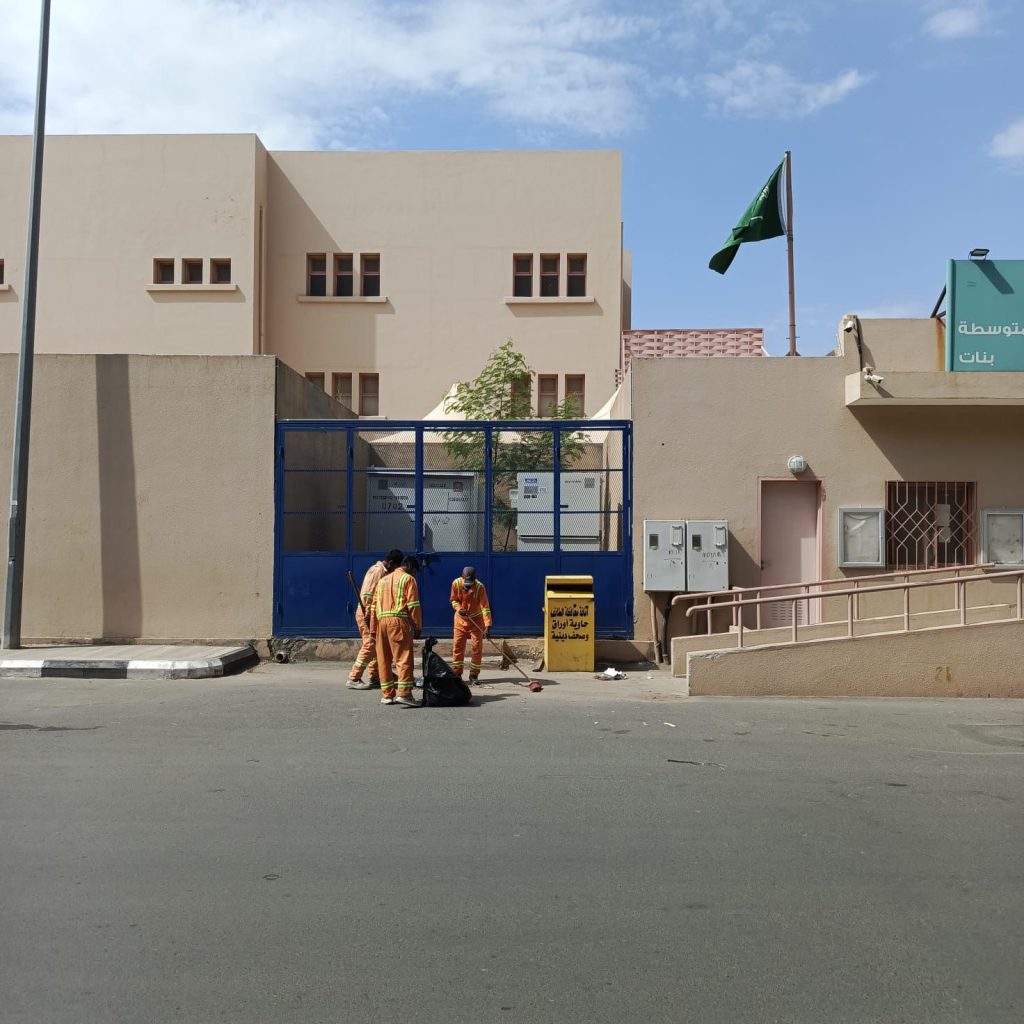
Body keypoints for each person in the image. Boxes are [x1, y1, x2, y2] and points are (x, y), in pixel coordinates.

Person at [369, 554, 422, 706]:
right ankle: (404, 694)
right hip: (398, 622)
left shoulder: (382, 581)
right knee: (403, 658)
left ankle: (387, 695)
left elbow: (373, 606)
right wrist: (417, 626)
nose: (414, 575)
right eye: (414, 571)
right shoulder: (408, 579)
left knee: (383, 660)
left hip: (381, 623)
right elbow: (413, 605)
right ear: (410, 566)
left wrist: (373, 630)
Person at [347, 549, 403, 689]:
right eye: (395, 567)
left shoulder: (381, 571)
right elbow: (368, 594)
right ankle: (354, 678)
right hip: (367, 612)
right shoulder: (377, 571)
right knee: (370, 644)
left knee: (377, 645)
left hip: (372, 613)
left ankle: (375, 675)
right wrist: (368, 614)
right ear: (391, 563)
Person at [449, 565, 492, 684]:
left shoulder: (480, 587)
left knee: (476, 648)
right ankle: (457, 673)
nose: (468, 586)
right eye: (466, 584)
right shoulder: (456, 583)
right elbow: (453, 600)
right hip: (460, 620)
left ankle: (474, 675)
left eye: (470, 583)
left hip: (476, 621)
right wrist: (459, 609)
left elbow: (485, 607)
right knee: (458, 647)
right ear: (462, 577)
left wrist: (487, 626)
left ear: (474, 579)